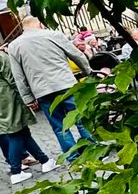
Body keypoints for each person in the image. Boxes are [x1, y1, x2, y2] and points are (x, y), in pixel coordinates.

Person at [8, 17, 94, 158]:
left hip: (42, 91)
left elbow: (18, 75)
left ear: (23, 28)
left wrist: (28, 98)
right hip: (66, 84)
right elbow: (76, 55)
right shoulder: (54, 35)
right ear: (40, 24)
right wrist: (87, 71)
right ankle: (93, 151)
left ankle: (72, 157)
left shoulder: (14, 46)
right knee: (81, 118)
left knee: (59, 126)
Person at [0, 49, 57, 184]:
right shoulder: (1, 57)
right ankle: (16, 171)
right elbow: (13, 79)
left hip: (4, 101)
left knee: (23, 133)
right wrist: (27, 97)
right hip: (9, 99)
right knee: (15, 133)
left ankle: (44, 160)